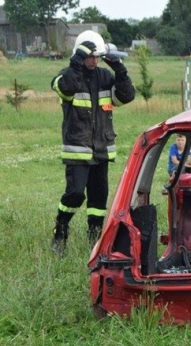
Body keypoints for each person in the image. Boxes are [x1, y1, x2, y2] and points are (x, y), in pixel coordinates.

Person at [50, 30, 135, 255]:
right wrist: (75, 65)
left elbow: (125, 96)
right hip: (78, 149)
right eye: (90, 56)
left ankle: (94, 240)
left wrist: (120, 71)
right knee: (75, 194)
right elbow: (65, 88)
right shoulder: (66, 76)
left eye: (98, 56)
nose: (95, 60)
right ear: (80, 54)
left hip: (101, 149)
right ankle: (61, 228)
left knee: (98, 200)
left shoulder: (106, 77)